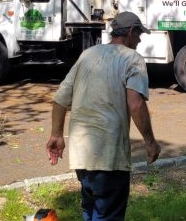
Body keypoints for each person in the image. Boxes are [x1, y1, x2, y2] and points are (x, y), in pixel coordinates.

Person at [46, 11, 161, 221]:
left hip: (82, 157)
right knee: (106, 214)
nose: (139, 40)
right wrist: (151, 142)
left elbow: (61, 98)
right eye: (139, 34)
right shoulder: (132, 58)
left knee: (90, 211)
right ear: (130, 32)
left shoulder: (87, 55)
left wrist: (56, 134)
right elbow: (135, 104)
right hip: (109, 158)